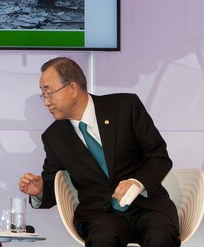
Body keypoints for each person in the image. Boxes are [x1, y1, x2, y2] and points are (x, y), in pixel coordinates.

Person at [18, 57, 180, 247]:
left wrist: (137, 183)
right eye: (43, 95)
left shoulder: (125, 107)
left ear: (72, 88)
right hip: (100, 215)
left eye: (49, 93)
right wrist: (39, 191)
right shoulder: (54, 137)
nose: (46, 102)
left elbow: (159, 156)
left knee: (160, 237)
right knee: (103, 239)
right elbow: (52, 184)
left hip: (147, 206)